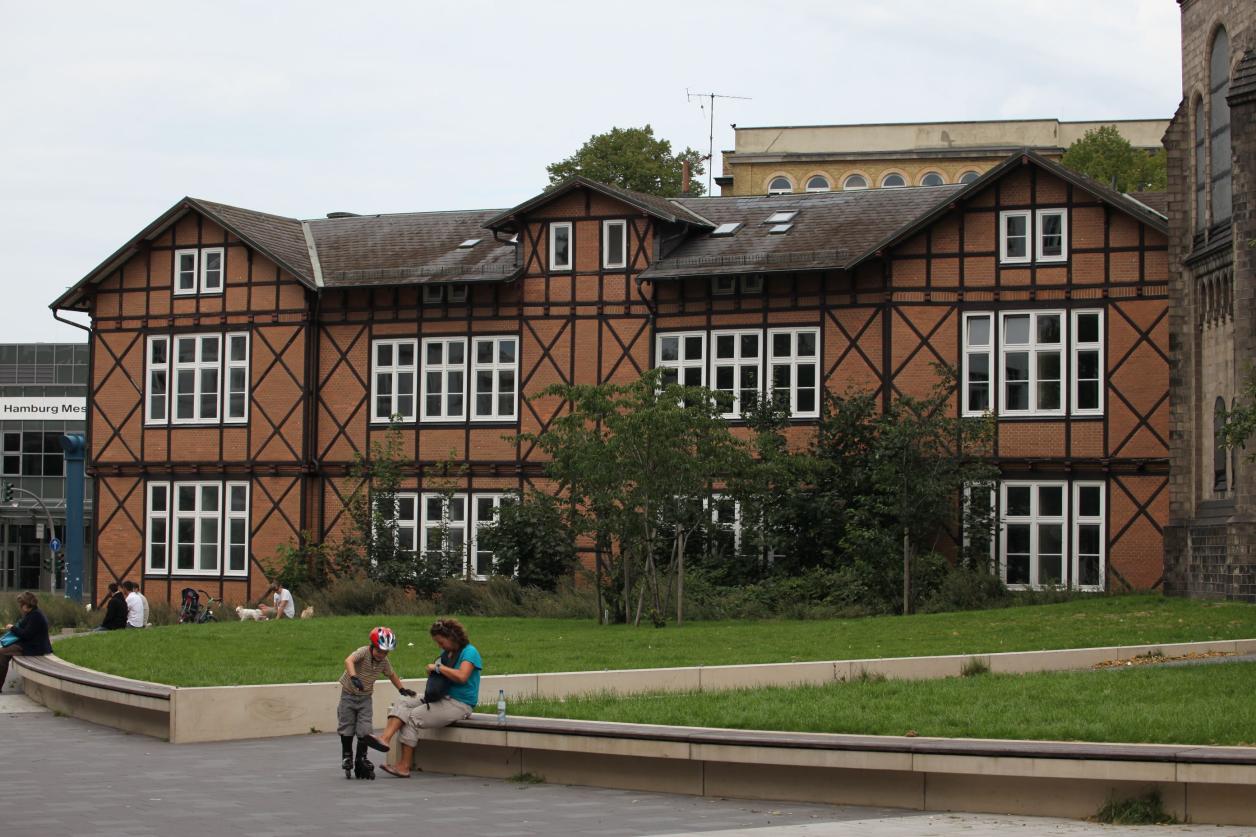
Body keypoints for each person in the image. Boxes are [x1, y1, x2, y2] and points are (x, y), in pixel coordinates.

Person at [372, 618, 482, 778]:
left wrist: (438, 668)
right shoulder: (447, 653)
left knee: (413, 716)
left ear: (451, 636)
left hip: (460, 704)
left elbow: (462, 676)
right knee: (404, 701)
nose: (439, 646)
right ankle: (384, 738)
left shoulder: (470, 652)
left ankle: (404, 766)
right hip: (442, 698)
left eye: (440, 642)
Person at [336, 626, 415, 779]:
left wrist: (402, 689)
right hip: (348, 695)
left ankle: (362, 758)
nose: (381, 655)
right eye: (379, 651)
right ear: (372, 646)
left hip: (365, 698)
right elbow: (349, 660)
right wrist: (354, 677)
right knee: (346, 725)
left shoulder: (383, 661)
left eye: (385, 652)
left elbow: (391, 674)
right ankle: (347, 755)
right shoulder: (363, 652)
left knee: (365, 729)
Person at [1, 592, 53, 691]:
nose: (20, 607)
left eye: (21, 605)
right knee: (3, 651)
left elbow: (26, 635)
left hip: (33, 648)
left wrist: (12, 628)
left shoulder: (36, 616)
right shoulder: (32, 614)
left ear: (26, 605)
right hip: (28, 644)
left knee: (2, 653)